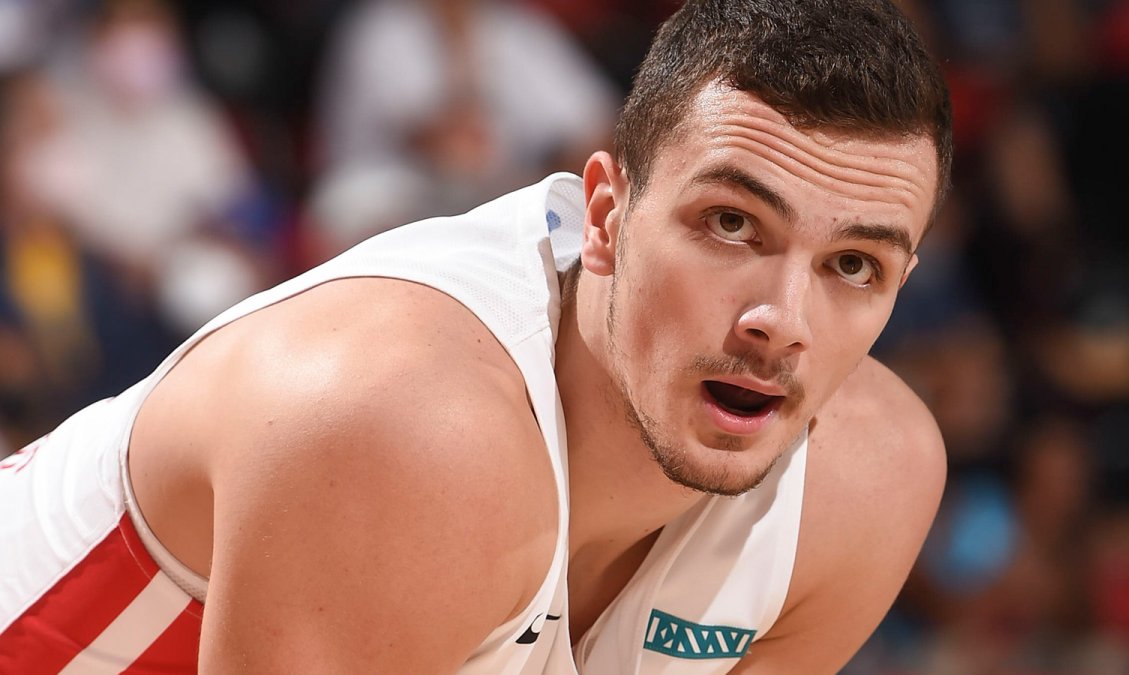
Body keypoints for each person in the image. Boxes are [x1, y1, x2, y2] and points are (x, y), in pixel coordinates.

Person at [0, 0, 952, 671]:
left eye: (854, 265)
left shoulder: (870, 482)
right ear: (608, 217)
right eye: (732, 225)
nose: (780, 320)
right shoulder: (401, 421)